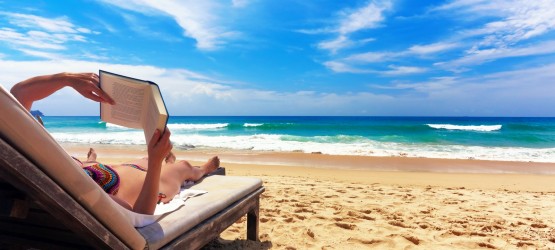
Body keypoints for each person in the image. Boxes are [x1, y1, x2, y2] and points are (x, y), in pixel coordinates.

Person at [10, 72, 219, 215]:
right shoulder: (74, 191)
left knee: (144, 158)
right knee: (182, 167)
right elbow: (140, 214)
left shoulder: (32, 156)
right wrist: (156, 162)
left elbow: (18, 94)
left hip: (112, 171)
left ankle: (96, 160)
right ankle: (202, 170)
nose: (39, 127)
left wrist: (68, 79)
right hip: (148, 187)